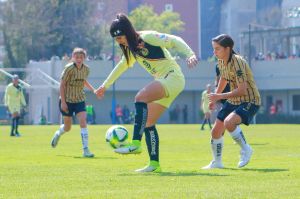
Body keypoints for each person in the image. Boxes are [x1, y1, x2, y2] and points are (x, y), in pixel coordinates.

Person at [95, 13, 197, 172]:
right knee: (149, 123)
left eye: (121, 38)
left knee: (140, 97)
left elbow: (175, 40)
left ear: (128, 32)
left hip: (173, 78)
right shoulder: (131, 50)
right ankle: (154, 165)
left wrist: (190, 54)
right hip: (166, 81)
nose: (120, 42)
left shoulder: (148, 37)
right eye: (117, 40)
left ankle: (135, 144)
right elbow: (121, 66)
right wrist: (104, 86)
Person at [202, 34, 261, 169]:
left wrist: (220, 97)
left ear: (227, 48)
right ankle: (217, 162)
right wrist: (215, 96)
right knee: (215, 131)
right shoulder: (221, 62)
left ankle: (246, 149)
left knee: (229, 122)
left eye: (217, 49)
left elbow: (242, 90)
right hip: (234, 100)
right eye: (214, 48)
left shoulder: (238, 62)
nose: (214, 52)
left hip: (250, 100)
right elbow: (224, 78)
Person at [51, 47, 95, 158]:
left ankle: (85, 149)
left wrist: (94, 90)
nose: (79, 59)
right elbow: (62, 85)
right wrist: (63, 102)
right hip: (67, 100)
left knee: (83, 121)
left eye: (81, 57)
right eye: (77, 57)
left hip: (80, 99)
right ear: (73, 57)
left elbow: (84, 81)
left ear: (84, 58)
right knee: (67, 127)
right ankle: (58, 134)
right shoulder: (69, 68)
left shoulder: (86, 69)